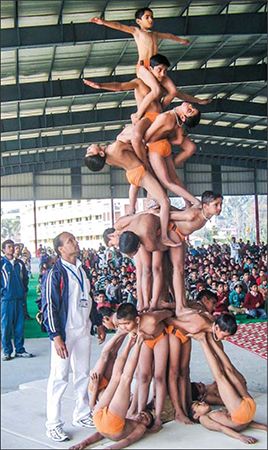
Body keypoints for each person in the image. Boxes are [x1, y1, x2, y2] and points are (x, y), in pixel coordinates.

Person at [42, 232, 102, 442]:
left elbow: (89, 297)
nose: (75, 243)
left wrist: (97, 322)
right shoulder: (55, 273)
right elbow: (49, 305)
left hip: (83, 330)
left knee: (83, 374)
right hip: (65, 333)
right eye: (70, 241)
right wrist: (56, 336)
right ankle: (53, 424)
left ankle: (82, 413)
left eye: (75, 240)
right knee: (59, 377)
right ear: (61, 249)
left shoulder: (81, 268)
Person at [85, 140, 184, 248]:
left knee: (143, 205)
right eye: (90, 152)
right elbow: (136, 148)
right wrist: (145, 160)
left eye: (88, 151)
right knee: (165, 202)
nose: (88, 149)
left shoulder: (108, 160)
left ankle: (181, 212)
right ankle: (164, 236)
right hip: (139, 172)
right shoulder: (116, 146)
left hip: (132, 175)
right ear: (101, 154)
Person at [70, 332, 155, 450]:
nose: (143, 415)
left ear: (147, 426)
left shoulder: (141, 428)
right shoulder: (127, 417)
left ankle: (137, 343)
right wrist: (84, 443)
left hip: (106, 422)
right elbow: (100, 433)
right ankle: (131, 342)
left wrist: (109, 448)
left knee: (124, 378)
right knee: (118, 377)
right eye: (144, 413)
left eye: (146, 418)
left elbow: (128, 440)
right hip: (102, 419)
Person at [188, 331, 267, 443]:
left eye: (198, 402)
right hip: (243, 412)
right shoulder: (203, 419)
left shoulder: (210, 414)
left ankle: (210, 340)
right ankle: (203, 340)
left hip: (246, 410)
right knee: (221, 375)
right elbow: (222, 428)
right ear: (196, 416)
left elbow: (245, 422)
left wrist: (264, 427)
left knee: (227, 370)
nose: (202, 403)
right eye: (198, 405)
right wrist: (240, 437)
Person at [116, 303, 173, 432]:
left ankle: (158, 418)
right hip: (144, 340)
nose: (124, 327)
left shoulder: (151, 319)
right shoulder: (125, 325)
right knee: (143, 377)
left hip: (160, 337)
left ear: (136, 320)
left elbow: (167, 313)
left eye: (127, 324)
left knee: (159, 377)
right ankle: (140, 412)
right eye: (121, 324)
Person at [1, 239, 33, 361]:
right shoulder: (2, 264)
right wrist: (3, 292)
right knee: (6, 326)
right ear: (3, 250)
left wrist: (23, 290)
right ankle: (7, 351)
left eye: (12, 246)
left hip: (19, 299)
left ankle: (20, 349)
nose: (12, 249)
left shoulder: (19, 263)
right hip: (6, 300)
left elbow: (25, 278)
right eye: (9, 247)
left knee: (19, 326)